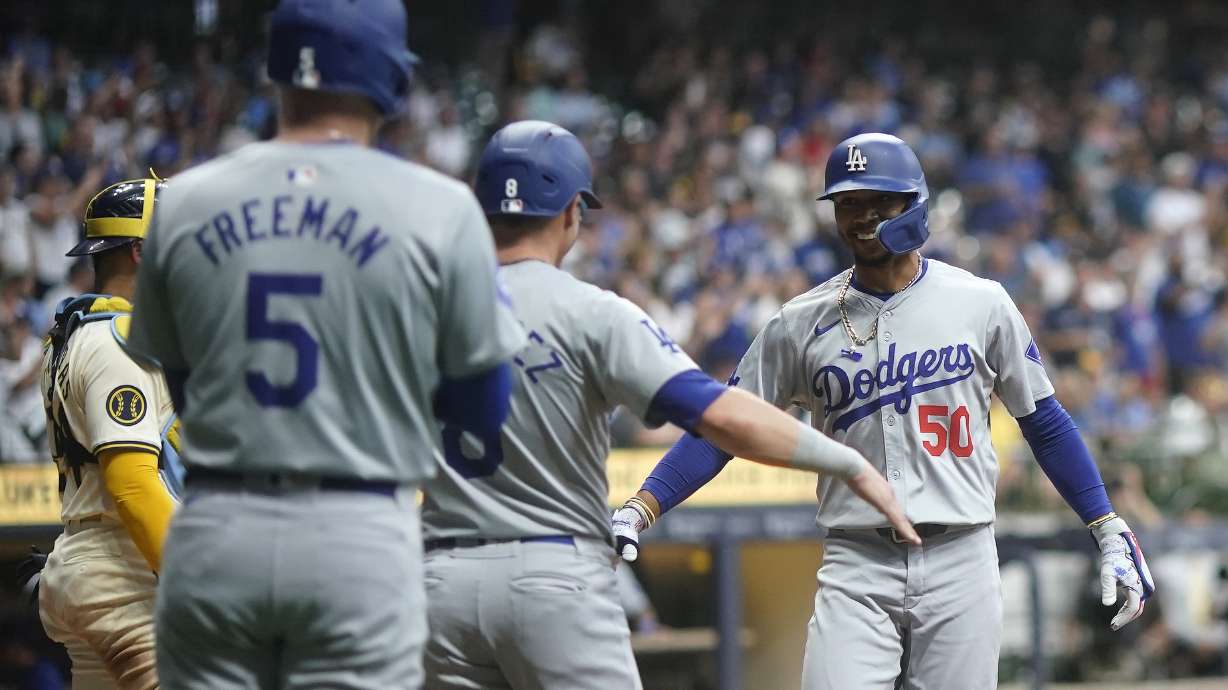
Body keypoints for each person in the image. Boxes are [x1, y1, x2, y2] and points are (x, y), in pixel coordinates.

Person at [612, 133, 1155, 690]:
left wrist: (1105, 522)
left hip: (960, 556)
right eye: (848, 202)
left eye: (879, 201)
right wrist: (641, 506)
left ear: (914, 204)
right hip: (857, 560)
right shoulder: (799, 323)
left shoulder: (980, 302)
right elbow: (722, 426)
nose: (862, 217)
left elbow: (1043, 420)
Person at [420, 120, 916, 690]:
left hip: (439, 580)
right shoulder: (593, 312)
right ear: (570, 214)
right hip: (552, 575)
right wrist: (846, 461)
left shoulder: (421, 310)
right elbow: (720, 415)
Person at [124, 1, 524, 687]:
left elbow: (186, 392)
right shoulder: (440, 206)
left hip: (217, 525)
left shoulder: (182, 201)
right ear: (393, 85)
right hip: (359, 527)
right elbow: (485, 410)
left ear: (277, 74)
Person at [39, 177, 181, 689]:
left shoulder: (76, 330)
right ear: (143, 252)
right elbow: (132, 484)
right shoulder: (119, 341)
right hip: (121, 575)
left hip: (90, 561)